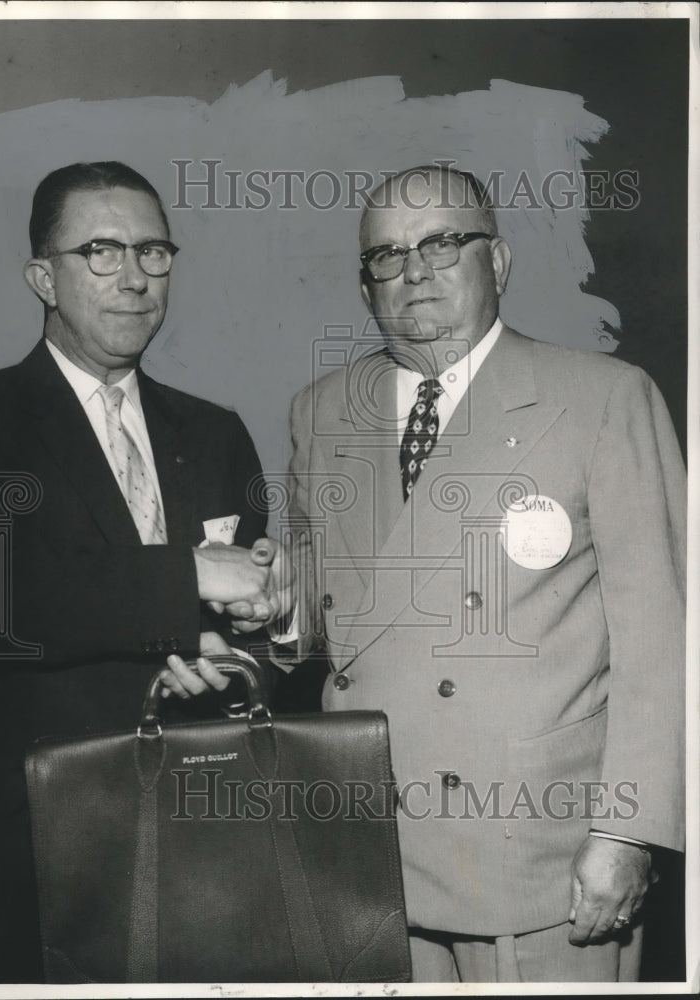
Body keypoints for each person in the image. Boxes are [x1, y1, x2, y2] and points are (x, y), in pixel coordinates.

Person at [171, 164, 686, 982]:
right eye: (385, 255)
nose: (413, 271)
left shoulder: (601, 398)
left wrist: (627, 833)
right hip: (370, 843)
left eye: (442, 243)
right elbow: (324, 610)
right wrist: (275, 605)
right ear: (365, 283)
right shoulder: (322, 408)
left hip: (538, 849)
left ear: (499, 262)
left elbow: (665, 641)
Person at [0, 161, 289, 984]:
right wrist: (187, 577)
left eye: (153, 252)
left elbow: (247, 615)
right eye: (102, 252)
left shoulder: (215, 431)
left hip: (199, 842)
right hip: (26, 851)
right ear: (42, 277)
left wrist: (249, 641)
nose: (134, 278)